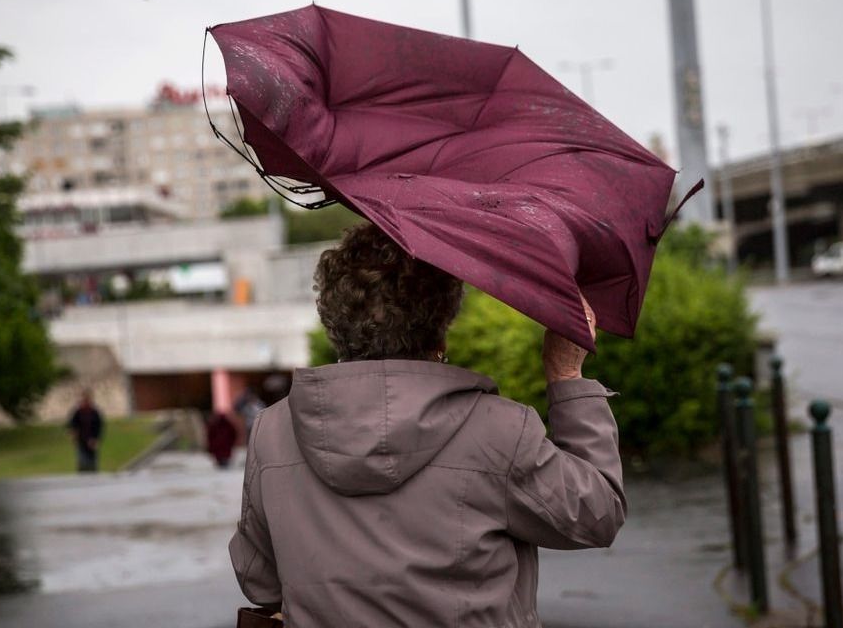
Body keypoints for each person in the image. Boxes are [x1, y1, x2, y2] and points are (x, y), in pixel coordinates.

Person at [229, 224, 626, 627]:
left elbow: (259, 582)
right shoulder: (501, 431)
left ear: (334, 321)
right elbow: (596, 514)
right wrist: (565, 374)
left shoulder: (273, 432)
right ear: (442, 323)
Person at [67, 390, 103, 473]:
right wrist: (73, 433)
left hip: (92, 441)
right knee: (82, 462)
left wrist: (96, 439)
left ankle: (94, 475)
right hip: (81, 440)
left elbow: (99, 427)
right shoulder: (78, 412)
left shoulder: (95, 413)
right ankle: (82, 476)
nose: (85, 402)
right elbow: (72, 424)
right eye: (83, 400)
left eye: (87, 400)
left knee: (92, 463)